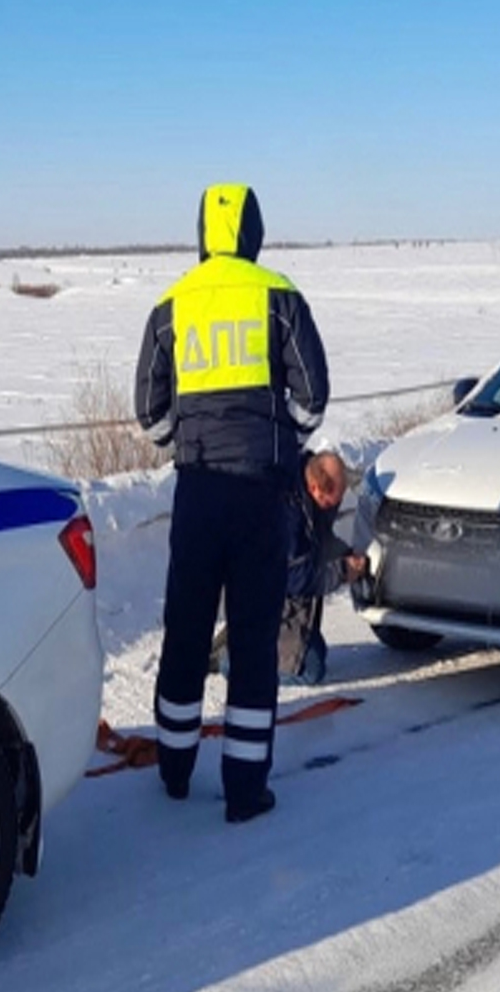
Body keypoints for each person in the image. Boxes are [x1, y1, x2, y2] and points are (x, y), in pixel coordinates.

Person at [135, 183, 330, 825]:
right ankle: (246, 789)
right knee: (251, 638)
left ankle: (174, 769)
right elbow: (313, 397)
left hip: (197, 489)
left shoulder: (170, 305)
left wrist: (186, 446)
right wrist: (281, 444)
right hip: (258, 492)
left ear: (202, 233)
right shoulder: (277, 295)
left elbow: (150, 411)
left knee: (186, 629)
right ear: (253, 233)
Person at [210, 450, 366, 686]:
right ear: (315, 488)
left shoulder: (306, 488)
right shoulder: (287, 512)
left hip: (278, 592)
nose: (335, 506)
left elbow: (321, 541)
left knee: (315, 652)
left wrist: (345, 555)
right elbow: (293, 576)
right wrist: (341, 571)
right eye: (332, 501)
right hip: (262, 593)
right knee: (311, 670)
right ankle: (232, 659)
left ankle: (245, 640)